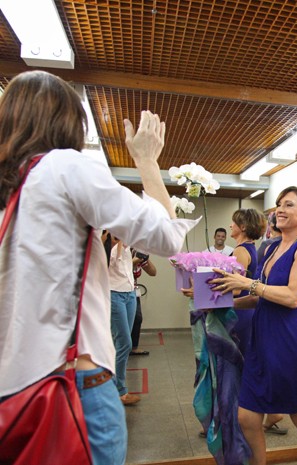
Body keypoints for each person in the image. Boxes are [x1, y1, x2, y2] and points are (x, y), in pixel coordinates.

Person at [0, 70, 198, 465]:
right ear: (67, 122)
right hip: (71, 382)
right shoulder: (64, 166)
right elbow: (164, 237)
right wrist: (146, 161)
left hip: (13, 387)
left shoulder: (10, 189)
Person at [212, 186, 297, 465]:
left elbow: (291, 297)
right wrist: (218, 303)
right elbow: (259, 298)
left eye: (288, 205)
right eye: (278, 205)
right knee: (248, 416)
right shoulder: (271, 247)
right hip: (261, 342)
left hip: (290, 344)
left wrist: (248, 283)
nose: (280, 210)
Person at [228, 208, 267, 356]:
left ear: (243, 226)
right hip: (244, 310)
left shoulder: (240, 251)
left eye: (234, 222)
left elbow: (236, 288)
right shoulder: (248, 248)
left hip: (239, 311)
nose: (231, 225)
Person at [109, 237, 141, 405]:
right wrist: (120, 242)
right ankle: (119, 390)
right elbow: (115, 259)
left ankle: (116, 387)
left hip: (129, 294)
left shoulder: (128, 248)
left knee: (122, 344)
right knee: (124, 343)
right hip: (114, 294)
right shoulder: (111, 248)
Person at [130, 250, 156, 356]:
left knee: (137, 318)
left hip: (133, 290)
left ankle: (133, 347)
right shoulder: (118, 252)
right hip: (118, 290)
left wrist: (146, 258)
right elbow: (120, 269)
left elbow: (153, 272)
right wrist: (133, 261)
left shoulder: (137, 253)